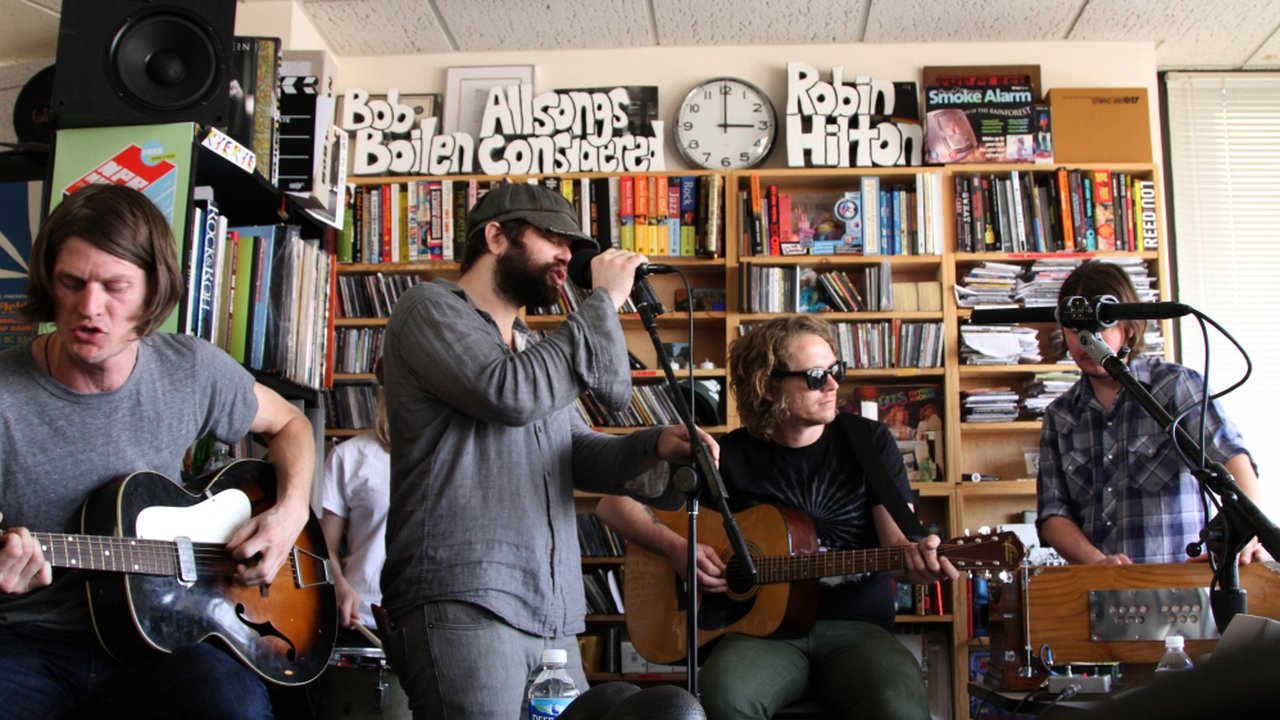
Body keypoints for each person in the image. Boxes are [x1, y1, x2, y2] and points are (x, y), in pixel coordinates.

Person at [379, 183, 715, 719]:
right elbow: (508, 393)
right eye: (553, 239)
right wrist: (602, 300)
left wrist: (654, 445)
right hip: (466, 600)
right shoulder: (429, 310)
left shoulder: (535, 347)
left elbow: (573, 452)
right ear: (495, 236)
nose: (567, 257)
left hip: (549, 610)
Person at [0, 183, 317, 718]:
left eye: (114, 287)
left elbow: (290, 425)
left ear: (152, 292)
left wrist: (289, 514)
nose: (88, 308)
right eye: (71, 283)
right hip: (30, 643)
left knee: (232, 706)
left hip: (166, 640)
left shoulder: (188, 369)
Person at [596, 315, 958, 720]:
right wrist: (677, 547)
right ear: (767, 386)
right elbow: (612, 503)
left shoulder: (869, 443)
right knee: (724, 699)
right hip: (757, 633)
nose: (835, 385)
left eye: (836, 371)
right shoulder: (724, 453)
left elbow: (899, 548)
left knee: (901, 708)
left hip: (857, 629)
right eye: (818, 376)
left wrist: (920, 562)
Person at [1037, 259, 1262, 565]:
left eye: (1099, 328)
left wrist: (1243, 532)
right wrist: (1098, 564)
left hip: (1184, 588)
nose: (1085, 342)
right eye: (1075, 330)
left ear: (1128, 328)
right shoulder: (1059, 415)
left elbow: (1232, 459)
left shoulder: (1177, 386)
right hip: (1101, 595)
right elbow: (1053, 512)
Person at [320, 360, 391, 635]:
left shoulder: (452, 459)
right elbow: (325, 548)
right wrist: (338, 583)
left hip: (432, 627)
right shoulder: (347, 457)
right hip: (362, 622)